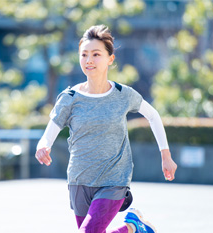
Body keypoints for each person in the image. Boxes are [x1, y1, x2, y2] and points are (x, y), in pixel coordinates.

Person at [35, 25, 177, 233]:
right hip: (79, 180)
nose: (89, 60)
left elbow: (153, 116)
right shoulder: (70, 98)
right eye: (84, 55)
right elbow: (48, 133)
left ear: (110, 59)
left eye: (96, 54)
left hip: (114, 180)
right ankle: (133, 229)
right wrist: (43, 146)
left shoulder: (122, 94)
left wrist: (165, 154)